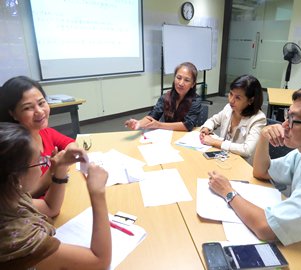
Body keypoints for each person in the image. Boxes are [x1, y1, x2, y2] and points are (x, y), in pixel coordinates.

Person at [207, 82, 301, 261]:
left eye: (294, 120)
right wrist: (264, 137)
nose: (284, 125)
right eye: (288, 115)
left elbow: (265, 229)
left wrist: (228, 192)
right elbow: (261, 172)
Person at [0, 122, 111, 269]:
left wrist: (61, 169)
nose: (43, 165)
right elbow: (99, 262)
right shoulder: (19, 238)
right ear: (16, 178)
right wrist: (98, 194)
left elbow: (50, 207)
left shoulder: (9, 195)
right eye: (38, 161)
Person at [0, 76, 77, 197]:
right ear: (12, 114)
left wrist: (64, 158)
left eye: (41, 103)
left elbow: (71, 143)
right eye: (27, 108)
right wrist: (54, 171)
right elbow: (21, 198)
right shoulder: (13, 150)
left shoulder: (45, 132)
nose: (40, 111)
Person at [199, 75, 266, 164]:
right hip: (224, 159)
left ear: (251, 100)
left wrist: (215, 142)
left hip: (243, 165)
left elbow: (247, 150)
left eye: (237, 97)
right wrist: (206, 128)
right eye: (230, 94)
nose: (231, 100)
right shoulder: (229, 108)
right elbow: (213, 120)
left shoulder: (258, 119)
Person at [125, 62, 202, 131]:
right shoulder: (166, 97)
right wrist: (139, 123)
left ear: (193, 84)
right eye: (178, 78)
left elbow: (188, 125)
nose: (181, 83)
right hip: (167, 137)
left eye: (187, 80)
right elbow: (153, 116)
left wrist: (159, 125)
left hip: (185, 137)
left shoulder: (196, 100)